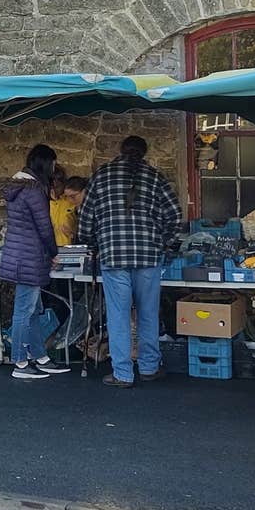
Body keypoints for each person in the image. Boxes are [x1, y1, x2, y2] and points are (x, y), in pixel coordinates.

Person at [77, 136, 181, 388]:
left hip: (113, 255)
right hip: (148, 255)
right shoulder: (154, 177)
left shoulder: (102, 176)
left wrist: (92, 244)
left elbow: (86, 219)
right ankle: (149, 367)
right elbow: (175, 216)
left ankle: (123, 373)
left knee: (118, 315)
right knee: (148, 313)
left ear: (120, 151)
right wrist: (165, 243)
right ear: (144, 153)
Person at [0, 144, 71, 380]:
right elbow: (44, 226)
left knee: (34, 310)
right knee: (24, 311)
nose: (54, 168)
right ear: (44, 164)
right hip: (29, 258)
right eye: (52, 163)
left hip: (19, 256)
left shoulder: (19, 188)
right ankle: (19, 361)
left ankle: (41, 357)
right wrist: (53, 252)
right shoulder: (33, 190)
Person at [50, 173, 89, 247]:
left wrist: (73, 234)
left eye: (73, 196)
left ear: (84, 191)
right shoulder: (49, 203)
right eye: (67, 197)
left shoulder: (89, 209)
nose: (70, 200)